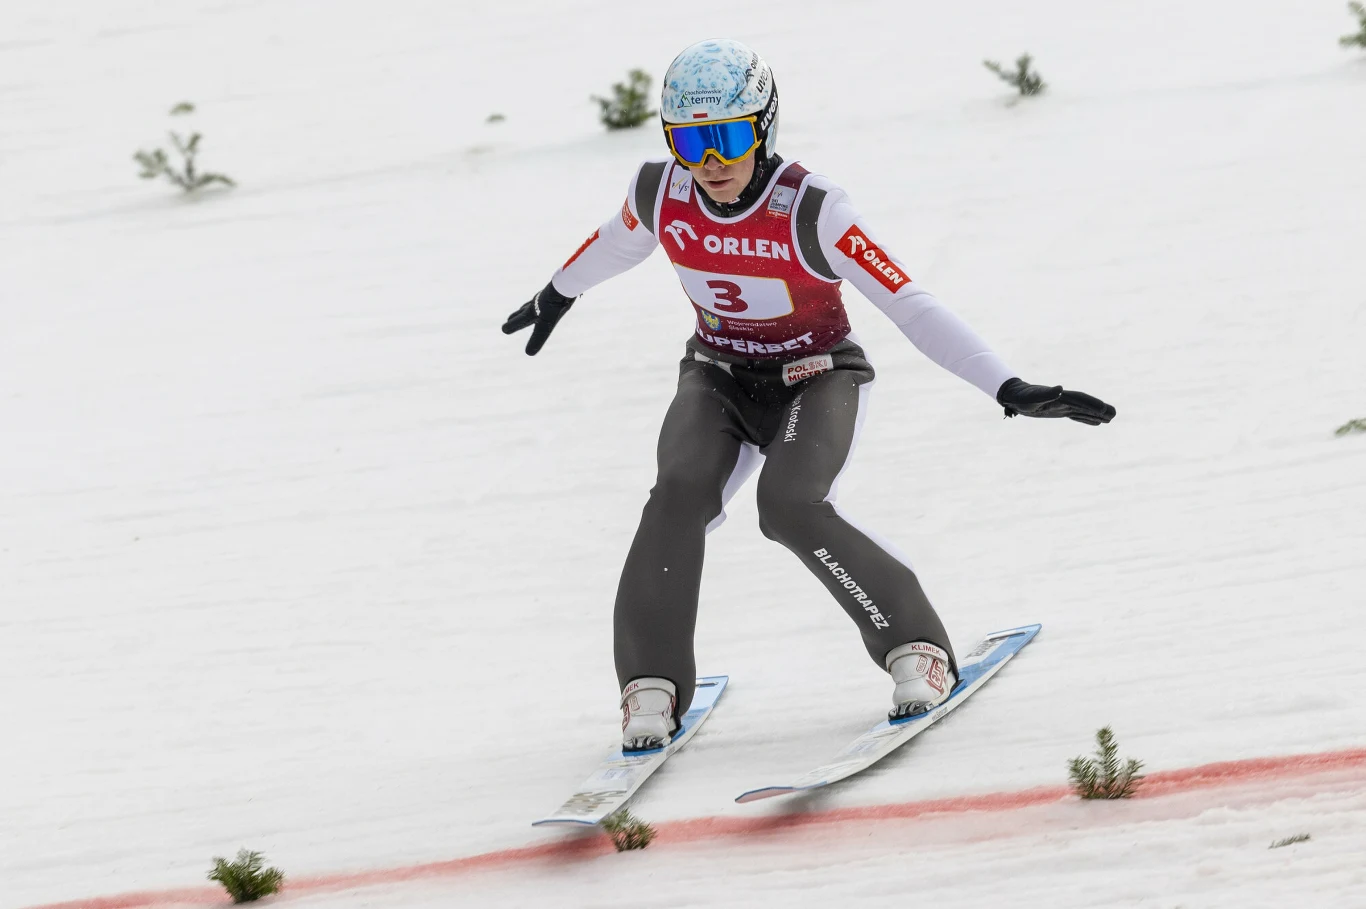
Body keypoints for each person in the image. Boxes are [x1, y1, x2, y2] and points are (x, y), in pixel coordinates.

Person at [504, 38, 1115, 752]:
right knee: (675, 495)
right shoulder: (660, 190)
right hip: (718, 378)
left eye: (727, 138)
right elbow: (617, 241)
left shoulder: (810, 208)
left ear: (762, 127)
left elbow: (908, 304)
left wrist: (1005, 385)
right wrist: (557, 293)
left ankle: (915, 646)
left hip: (816, 377)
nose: (709, 164)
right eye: (689, 142)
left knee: (788, 506)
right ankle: (651, 683)